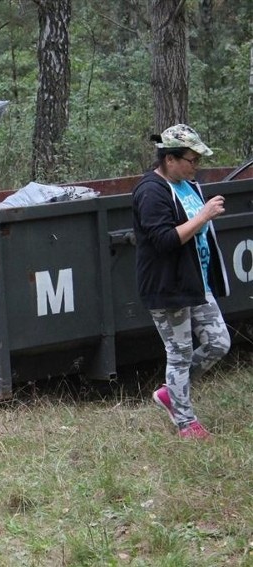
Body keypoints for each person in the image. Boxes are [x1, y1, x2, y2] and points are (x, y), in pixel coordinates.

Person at [132, 123, 231, 440]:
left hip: (195, 282)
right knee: (180, 355)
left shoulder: (188, 185)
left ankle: (169, 394)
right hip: (167, 287)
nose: (196, 166)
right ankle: (186, 424)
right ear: (169, 159)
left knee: (219, 344)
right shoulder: (151, 191)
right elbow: (163, 241)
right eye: (191, 159)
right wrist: (202, 216)